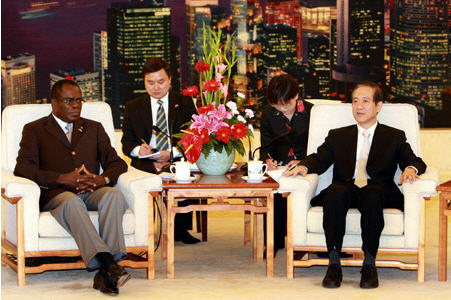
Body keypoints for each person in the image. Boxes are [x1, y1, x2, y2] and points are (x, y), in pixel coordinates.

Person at [284, 81, 426, 289]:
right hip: (346, 186)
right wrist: (304, 166)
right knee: (335, 192)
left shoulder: (393, 136)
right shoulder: (338, 135)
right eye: (355, 101)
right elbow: (320, 158)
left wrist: (411, 169)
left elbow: (414, 160)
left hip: (378, 188)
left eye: (365, 101)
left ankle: (369, 265)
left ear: (378, 106)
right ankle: (334, 264)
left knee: (372, 195)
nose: (359, 107)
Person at [14, 79, 130, 295]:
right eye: (69, 101)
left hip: (91, 190)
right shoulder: (35, 129)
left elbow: (117, 163)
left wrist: (101, 180)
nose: (76, 106)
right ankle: (108, 263)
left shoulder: (94, 128)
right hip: (56, 194)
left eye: (79, 101)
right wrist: (60, 178)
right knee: (71, 201)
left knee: (114, 195)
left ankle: (107, 271)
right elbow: (23, 169)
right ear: (54, 103)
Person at [121, 57, 200, 244]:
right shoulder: (133, 107)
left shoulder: (185, 103)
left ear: (170, 80)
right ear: (144, 82)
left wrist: (172, 153)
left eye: (161, 81)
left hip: (176, 157)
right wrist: (139, 150)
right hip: (146, 161)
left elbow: (194, 136)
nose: (156, 87)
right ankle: (147, 229)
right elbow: (127, 142)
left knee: (183, 172)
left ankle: (181, 230)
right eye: (150, 82)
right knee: (142, 179)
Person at [260, 73, 313, 256]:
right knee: (274, 190)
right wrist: (268, 160)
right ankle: (273, 241)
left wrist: (303, 161)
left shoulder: (312, 112)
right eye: (277, 105)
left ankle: (300, 242)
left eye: (286, 104)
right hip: (281, 167)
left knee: (299, 190)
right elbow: (265, 147)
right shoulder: (268, 114)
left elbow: (320, 147)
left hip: (307, 165)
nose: (282, 109)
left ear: (296, 95)